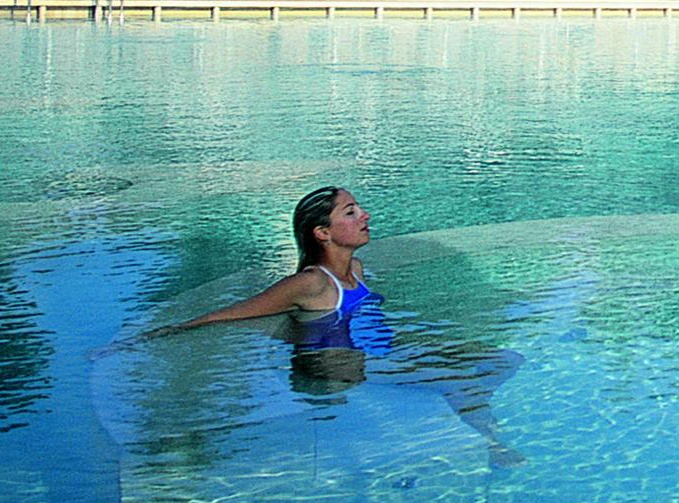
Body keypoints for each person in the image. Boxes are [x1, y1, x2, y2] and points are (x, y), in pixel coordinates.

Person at [117, 186, 525, 466]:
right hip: (354, 364)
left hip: (389, 348)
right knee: (461, 380)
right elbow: (231, 313)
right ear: (323, 233)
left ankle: (459, 403)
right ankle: (490, 443)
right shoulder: (311, 283)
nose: (364, 215)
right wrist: (153, 336)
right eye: (351, 212)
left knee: (507, 358)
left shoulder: (359, 270)